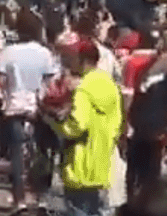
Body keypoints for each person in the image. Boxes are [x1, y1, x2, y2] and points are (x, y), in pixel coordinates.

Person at [48, 41, 123, 216]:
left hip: (79, 163)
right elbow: (117, 122)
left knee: (78, 209)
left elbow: (76, 126)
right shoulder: (109, 84)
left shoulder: (83, 89)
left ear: (83, 60)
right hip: (102, 160)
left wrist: (55, 124)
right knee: (95, 209)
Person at [0, 8, 59, 208]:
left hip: (14, 105)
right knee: (40, 151)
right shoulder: (45, 53)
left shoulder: (8, 52)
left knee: (16, 154)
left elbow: (0, 80)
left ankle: (18, 198)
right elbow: (51, 81)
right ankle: (38, 195)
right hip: (38, 107)